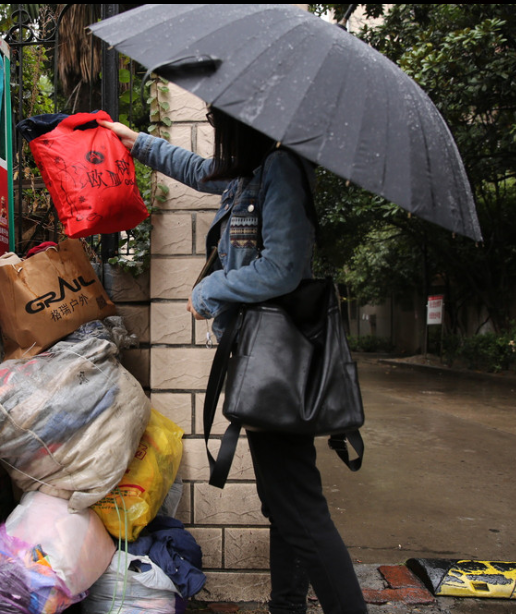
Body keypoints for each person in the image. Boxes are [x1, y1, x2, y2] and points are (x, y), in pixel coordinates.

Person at [101, 111, 367, 614]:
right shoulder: (252, 171)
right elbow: (199, 169)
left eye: (216, 119)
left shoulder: (281, 168)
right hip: (261, 362)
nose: (213, 125)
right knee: (285, 506)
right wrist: (138, 143)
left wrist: (209, 290)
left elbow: (282, 267)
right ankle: (286, 609)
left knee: (301, 512)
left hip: (278, 368)